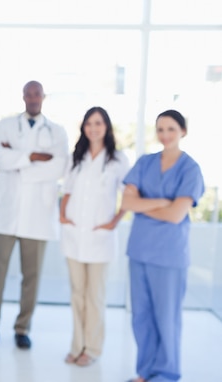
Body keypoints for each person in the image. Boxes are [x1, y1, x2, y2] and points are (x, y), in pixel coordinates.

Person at [0, 80, 68, 350]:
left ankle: (22, 328)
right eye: (28, 93)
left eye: (37, 93)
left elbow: (58, 168)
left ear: (43, 96)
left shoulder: (57, 132)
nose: (32, 97)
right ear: (23, 96)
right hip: (7, 213)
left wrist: (18, 160)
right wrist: (34, 157)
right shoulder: (5, 126)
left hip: (38, 217)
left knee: (32, 277)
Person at [121, 109, 204, 382]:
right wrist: (163, 202)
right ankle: (145, 372)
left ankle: (166, 374)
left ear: (183, 131)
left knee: (166, 319)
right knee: (141, 316)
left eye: (171, 129)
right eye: (160, 129)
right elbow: (127, 203)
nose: (165, 135)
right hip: (140, 251)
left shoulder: (190, 169)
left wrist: (145, 206)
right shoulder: (145, 163)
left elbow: (176, 215)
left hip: (169, 256)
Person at [59, 106, 130, 367]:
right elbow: (66, 190)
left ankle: (93, 348)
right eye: (89, 123)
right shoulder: (75, 157)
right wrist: (63, 215)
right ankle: (76, 345)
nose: (93, 128)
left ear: (106, 127)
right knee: (77, 294)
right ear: (83, 127)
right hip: (74, 234)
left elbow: (129, 194)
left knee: (95, 296)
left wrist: (114, 221)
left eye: (98, 123)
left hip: (101, 237)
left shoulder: (118, 160)